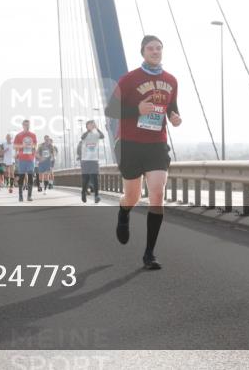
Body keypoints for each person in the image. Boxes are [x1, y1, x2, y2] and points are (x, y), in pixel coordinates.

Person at [105, 35, 181, 271]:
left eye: (159, 48)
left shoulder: (171, 80)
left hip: (156, 145)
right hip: (130, 144)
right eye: (151, 48)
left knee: (157, 194)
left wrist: (174, 117)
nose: (155, 51)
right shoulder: (128, 79)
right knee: (133, 196)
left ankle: (149, 253)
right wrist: (136, 109)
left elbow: (172, 106)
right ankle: (124, 210)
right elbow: (111, 110)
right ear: (142, 52)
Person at [77, 120, 104, 203]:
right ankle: (83, 193)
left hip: (94, 160)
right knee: (86, 179)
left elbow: (102, 136)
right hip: (85, 161)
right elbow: (82, 137)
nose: (92, 126)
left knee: (95, 178)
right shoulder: (85, 135)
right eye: (90, 125)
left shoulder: (96, 135)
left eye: (93, 125)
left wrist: (97, 128)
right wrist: (89, 130)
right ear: (87, 126)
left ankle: (96, 196)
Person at [14, 120, 38, 202]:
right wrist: (22, 146)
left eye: (28, 125)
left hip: (31, 159)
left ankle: (29, 196)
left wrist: (34, 149)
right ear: (22, 125)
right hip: (21, 159)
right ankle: (20, 196)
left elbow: (35, 145)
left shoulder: (33, 135)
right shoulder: (19, 135)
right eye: (25, 125)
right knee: (21, 177)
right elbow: (15, 146)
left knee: (30, 176)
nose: (27, 126)